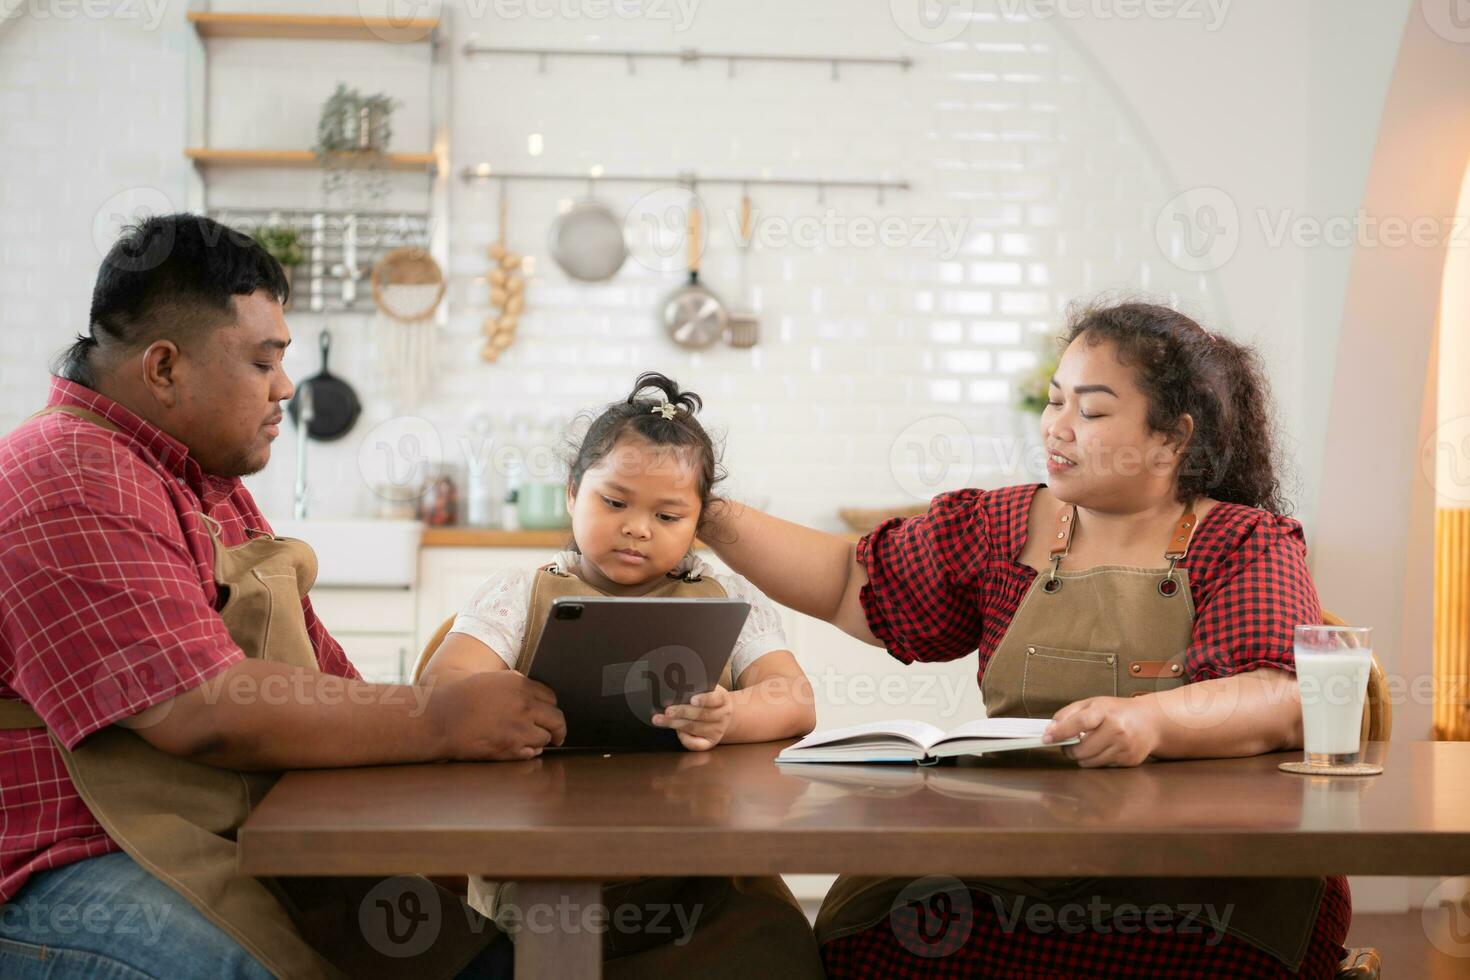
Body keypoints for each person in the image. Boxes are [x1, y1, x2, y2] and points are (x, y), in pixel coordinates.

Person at [703, 301, 1351, 978]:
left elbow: (1281, 694)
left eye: (1091, 412)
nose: (1057, 429)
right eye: (1054, 402)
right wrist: (708, 514)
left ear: (1171, 438)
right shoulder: (1004, 526)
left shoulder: (1243, 541)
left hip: (1206, 876)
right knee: (874, 939)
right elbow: (847, 581)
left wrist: (1150, 721)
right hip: (1021, 860)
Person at [0, 214, 567, 979]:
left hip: (228, 833)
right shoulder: (66, 473)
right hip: (66, 866)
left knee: (476, 958)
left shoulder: (202, 477)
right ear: (164, 368)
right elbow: (199, 710)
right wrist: (438, 718)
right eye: (262, 362)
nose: (286, 388)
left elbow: (324, 679)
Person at [419, 371, 824, 978]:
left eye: (668, 515)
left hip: (705, 874)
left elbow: (794, 699)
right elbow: (441, 688)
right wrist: (496, 698)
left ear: (699, 523)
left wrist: (732, 714)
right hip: (548, 868)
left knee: (779, 952)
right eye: (614, 502)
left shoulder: (726, 595)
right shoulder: (515, 594)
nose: (638, 528)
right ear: (571, 494)